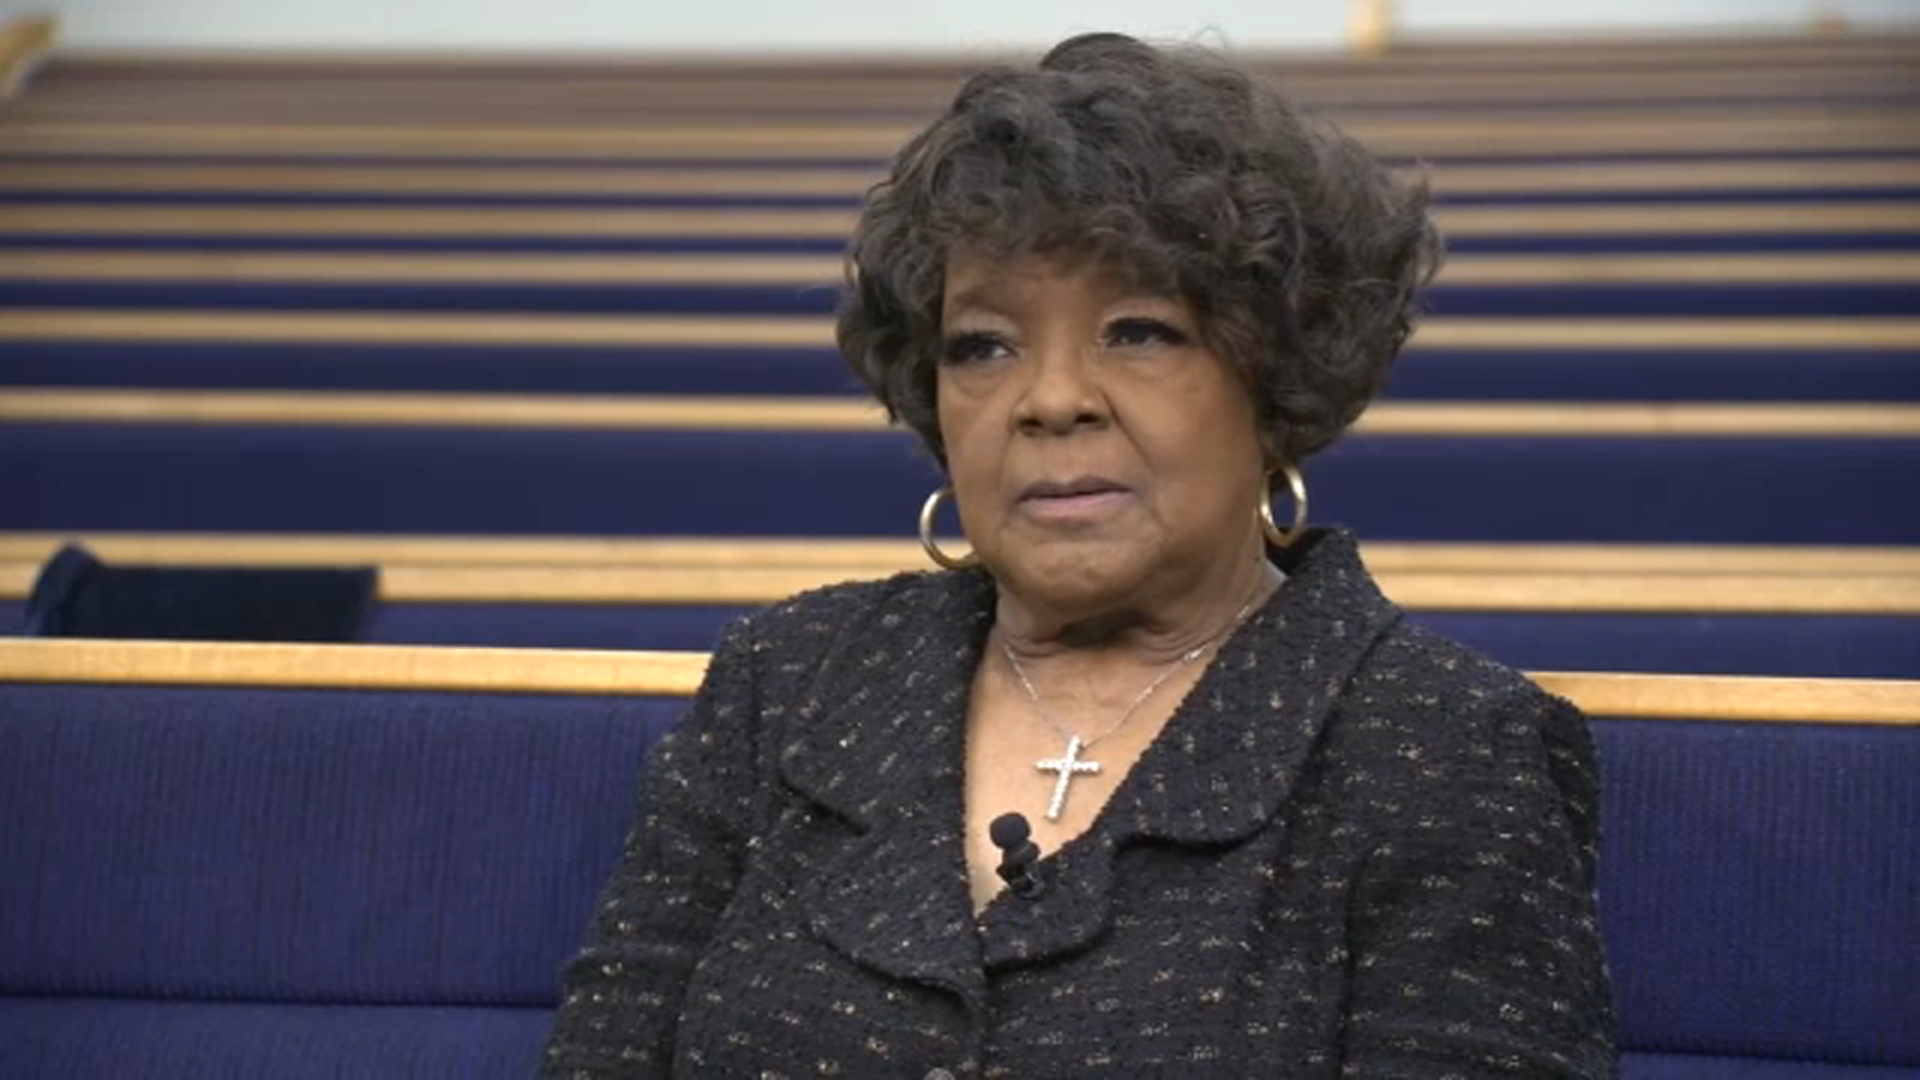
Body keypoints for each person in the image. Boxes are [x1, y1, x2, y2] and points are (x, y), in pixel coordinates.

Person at [541, 32, 1616, 1078]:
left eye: (1138, 331)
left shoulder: (1443, 747)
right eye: (985, 347)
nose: (1049, 398)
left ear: (1277, 382)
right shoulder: (786, 683)